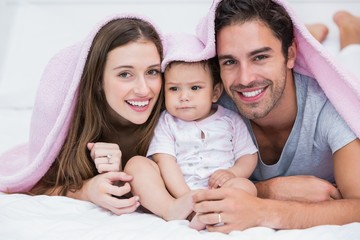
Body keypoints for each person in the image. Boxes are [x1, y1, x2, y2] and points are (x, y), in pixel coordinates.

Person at [191, 0, 360, 233]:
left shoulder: (331, 106)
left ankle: (351, 31)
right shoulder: (213, 106)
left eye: (260, 57)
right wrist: (269, 190)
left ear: (290, 54)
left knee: (352, 62)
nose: (245, 78)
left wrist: (263, 210)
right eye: (230, 61)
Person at [0, 15, 164, 215]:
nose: (143, 89)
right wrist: (87, 189)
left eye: (153, 72)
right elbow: (36, 186)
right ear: (98, 81)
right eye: (125, 74)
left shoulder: (175, 118)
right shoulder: (70, 129)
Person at [124, 33, 258, 230]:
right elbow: (165, 161)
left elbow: (248, 156)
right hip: (177, 193)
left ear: (215, 92)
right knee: (136, 166)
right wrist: (186, 197)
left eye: (195, 88)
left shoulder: (231, 120)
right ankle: (170, 209)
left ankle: (213, 213)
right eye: (174, 89)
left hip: (219, 190)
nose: (184, 97)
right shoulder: (167, 122)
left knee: (247, 188)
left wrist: (232, 173)